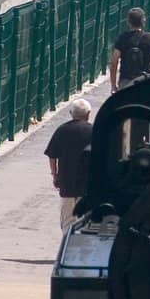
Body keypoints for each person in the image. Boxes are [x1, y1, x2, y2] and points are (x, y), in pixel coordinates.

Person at [45, 98, 93, 232]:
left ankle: (67, 245)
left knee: (67, 220)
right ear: (88, 114)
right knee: (85, 220)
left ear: (71, 113)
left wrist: (55, 175)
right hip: (87, 183)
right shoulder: (93, 131)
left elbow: (52, 155)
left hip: (67, 181)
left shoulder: (62, 130)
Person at [109, 6, 150, 91]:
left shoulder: (122, 38)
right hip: (144, 80)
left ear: (128, 22)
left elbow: (114, 63)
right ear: (143, 21)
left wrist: (113, 86)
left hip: (125, 81)